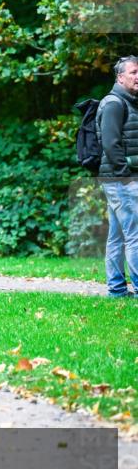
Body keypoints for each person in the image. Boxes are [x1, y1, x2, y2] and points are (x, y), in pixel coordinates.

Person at [96, 55, 138, 297]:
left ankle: (117, 289)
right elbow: (111, 145)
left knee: (118, 235)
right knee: (135, 236)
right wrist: (125, 175)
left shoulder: (129, 102)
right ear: (120, 77)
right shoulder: (114, 103)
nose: (137, 76)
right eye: (133, 72)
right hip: (121, 179)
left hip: (118, 179)